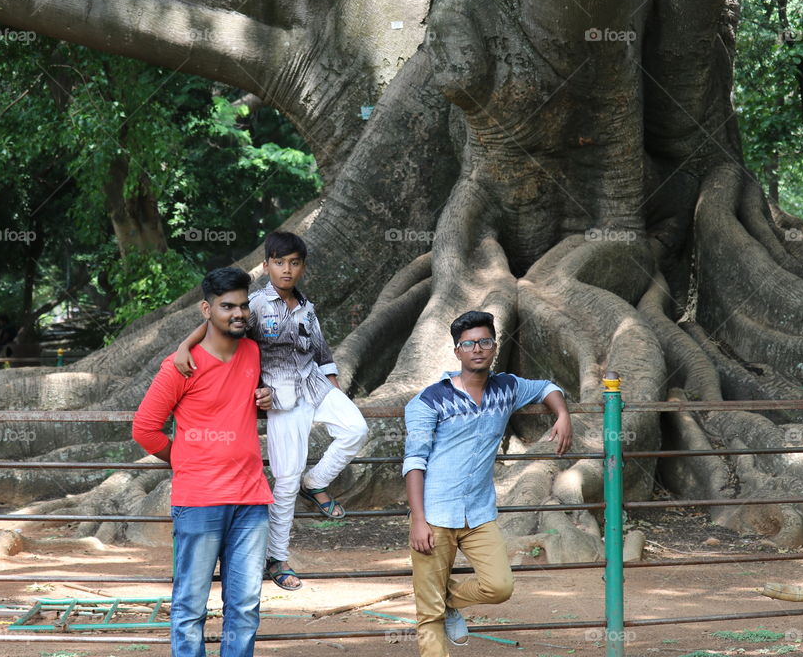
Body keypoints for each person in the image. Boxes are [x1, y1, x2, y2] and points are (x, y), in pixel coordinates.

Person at [173, 231, 368, 591]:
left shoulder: (307, 307)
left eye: (294, 263)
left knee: (356, 429)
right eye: (279, 262)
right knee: (286, 479)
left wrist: (335, 389)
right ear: (266, 266)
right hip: (280, 397)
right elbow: (218, 324)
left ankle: (317, 482)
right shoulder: (256, 305)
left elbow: (322, 351)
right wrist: (186, 345)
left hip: (316, 385)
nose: (286, 270)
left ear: (303, 267)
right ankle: (277, 556)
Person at [403, 310, 572, 656]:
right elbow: (414, 462)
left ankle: (446, 597)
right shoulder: (429, 400)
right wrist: (418, 519)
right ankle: (437, 602)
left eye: (484, 342)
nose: (477, 349)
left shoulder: (506, 388)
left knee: (499, 586)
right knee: (429, 613)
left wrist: (563, 413)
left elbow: (546, 387)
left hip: (478, 513)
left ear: (495, 346)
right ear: (457, 351)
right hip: (435, 514)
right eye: (469, 344)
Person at [133, 266, 275, 657]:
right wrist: (184, 459)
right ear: (206, 309)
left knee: (245, 607)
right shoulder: (180, 365)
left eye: (243, 305)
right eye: (227, 306)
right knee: (191, 606)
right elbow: (145, 429)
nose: (238, 313)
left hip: (251, 499)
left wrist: (264, 398)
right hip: (199, 501)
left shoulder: (253, 352)